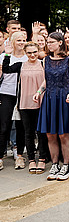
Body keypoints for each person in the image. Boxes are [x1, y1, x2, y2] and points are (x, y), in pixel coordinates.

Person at [34, 32, 69, 181]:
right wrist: (39, 92)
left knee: (63, 134)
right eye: (48, 42)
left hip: (64, 99)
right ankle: (55, 164)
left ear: (60, 43)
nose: (49, 44)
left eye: (51, 42)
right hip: (49, 99)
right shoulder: (45, 60)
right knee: (50, 134)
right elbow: (46, 81)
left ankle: (66, 165)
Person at [1, 42, 47, 173]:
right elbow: (6, 69)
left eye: (34, 52)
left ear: (38, 51)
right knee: (28, 132)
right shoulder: (21, 65)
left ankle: (42, 159)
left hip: (41, 102)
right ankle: (31, 159)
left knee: (41, 132)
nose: (32, 55)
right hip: (24, 103)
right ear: (25, 53)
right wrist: (8, 54)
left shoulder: (44, 64)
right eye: (29, 53)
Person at [0, 31, 27, 170]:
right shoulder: (4, 56)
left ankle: (20, 156)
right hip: (6, 93)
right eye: (19, 40)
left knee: (21, 126)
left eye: (23, 40)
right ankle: (0, 157)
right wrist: (7, 54)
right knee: (4, 126)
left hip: (23, 95)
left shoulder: (29, 57)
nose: (21, 43)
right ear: (13, 41)